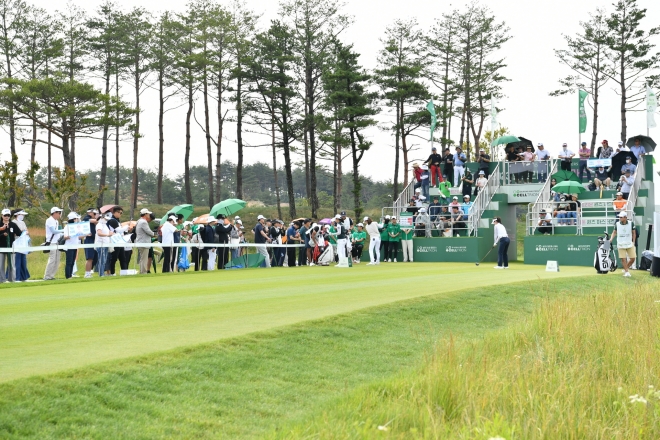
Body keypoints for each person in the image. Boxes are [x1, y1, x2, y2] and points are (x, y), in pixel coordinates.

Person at [611, 211, 636, 277]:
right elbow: (614, 232)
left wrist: (633, 242)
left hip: (629, 243)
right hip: (621, 243)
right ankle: (627, 272)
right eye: (619, 217)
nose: (619, 218)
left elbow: (634, 233)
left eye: (621, 217)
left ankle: (625, 268)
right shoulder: (617, 224)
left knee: (633, 258)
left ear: (625, 217)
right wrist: (611, 239)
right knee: (623, 258)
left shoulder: (631, 223)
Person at [44, 206, 63, 280]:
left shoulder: (56, 221)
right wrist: (63, 230)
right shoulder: (49, 220)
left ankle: (51, 275)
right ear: (54, 213)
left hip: (57, 242)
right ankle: (47, 276)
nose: (59, 214)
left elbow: (57, 233)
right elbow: (53, 231)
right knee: (52, 260)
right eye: (59, 213)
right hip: (51, 242)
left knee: (57, 260)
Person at [0, 208, 19, 283]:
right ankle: (2, 280)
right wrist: (2, 234)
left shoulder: (13, 224)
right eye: (5, 215)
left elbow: (19, 233)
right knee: (1, 264)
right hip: (1, 247)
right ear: (2, 216)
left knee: (11, 264)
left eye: (8, 215)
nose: (7, 217)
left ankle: (12, 279)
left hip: (11, 247)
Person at [63, 212, 83, 279]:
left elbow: (78, 237)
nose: (76, 220)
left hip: (75, 246)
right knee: (69, 262)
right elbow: (65, 236)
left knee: (72, 262)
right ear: (73, 219)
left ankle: (70, 275)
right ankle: (68, 276)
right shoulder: (67, 226)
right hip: (69, 246)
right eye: (75, 219)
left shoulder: (75, 227)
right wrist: (71, 235)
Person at [11, 209, 29, 281]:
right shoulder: (13, 222)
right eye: (21, 214)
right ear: (17, 215)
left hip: (23, 243)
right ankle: (17, 277)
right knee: (17, 261)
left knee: (23, 260)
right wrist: (22, 232)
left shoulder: (23, 222)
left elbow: (26, 230)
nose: (23, 216)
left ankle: (23, 277)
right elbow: (15, 233)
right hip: (16, 243)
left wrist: (24, 232)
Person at [135, 208, 155, 274]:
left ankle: (142, 271)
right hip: (144, 242)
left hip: (141, 242)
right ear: (145, 214)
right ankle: (143, 272)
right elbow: (148, 231)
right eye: (148, 214)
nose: (149, 215)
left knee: (142, 258)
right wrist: (154, 234)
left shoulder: (139, 221)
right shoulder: (143, 222)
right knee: (144, 258)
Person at [95, 211, 114, 277]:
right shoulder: (99, 224)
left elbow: (109, 232)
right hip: (101, 244)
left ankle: (102, 273)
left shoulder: (105, 225)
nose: (107, 220)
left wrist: (111, 233)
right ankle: (101, 274)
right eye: (106, 219)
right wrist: (107, 235)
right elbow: (99, 233)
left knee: (104, 260)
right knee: (101, 260)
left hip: (105, 244)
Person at [82, 208, 99, 278]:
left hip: (94, 240)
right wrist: (97, 220)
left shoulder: (94, 221)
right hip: (89, 240)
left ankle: (90, 271)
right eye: (94, 214)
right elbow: (91, 220)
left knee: (95, 257)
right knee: (90, 258)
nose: (95, 215)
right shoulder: (86, 218)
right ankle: (87, 273)